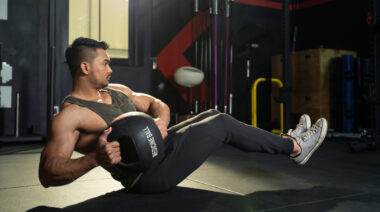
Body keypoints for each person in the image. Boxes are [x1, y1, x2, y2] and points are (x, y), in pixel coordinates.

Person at [38, 37, 328, 193]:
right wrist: (93, 159)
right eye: (105, 63)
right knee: (222, 124)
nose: (110, 69)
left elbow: (157, 105)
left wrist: (160, 124)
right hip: (146, 176)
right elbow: (48, 174)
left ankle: (291, 143)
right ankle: (295, 147)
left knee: (213, 113)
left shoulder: (117, 90)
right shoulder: (70, 116)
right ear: (85, 68)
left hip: (161, 149)